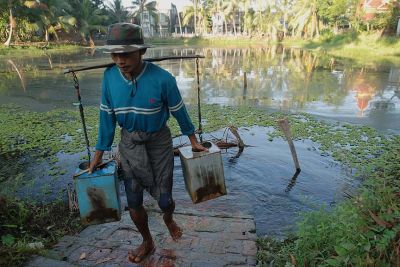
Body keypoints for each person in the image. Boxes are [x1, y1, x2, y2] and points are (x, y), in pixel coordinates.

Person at [88, 23, 208, 263]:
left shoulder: (163, 79)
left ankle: (168, 218)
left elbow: (179, 111)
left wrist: (193, 140)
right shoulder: (109, 77)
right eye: (115, 55)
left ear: (141, 52)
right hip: (130, 144)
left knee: (166, 200)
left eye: (126, 54)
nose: (120, 61)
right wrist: (99, 153)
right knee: (133, 200)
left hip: (158, 144)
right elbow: (106, 117)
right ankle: (147, 241)